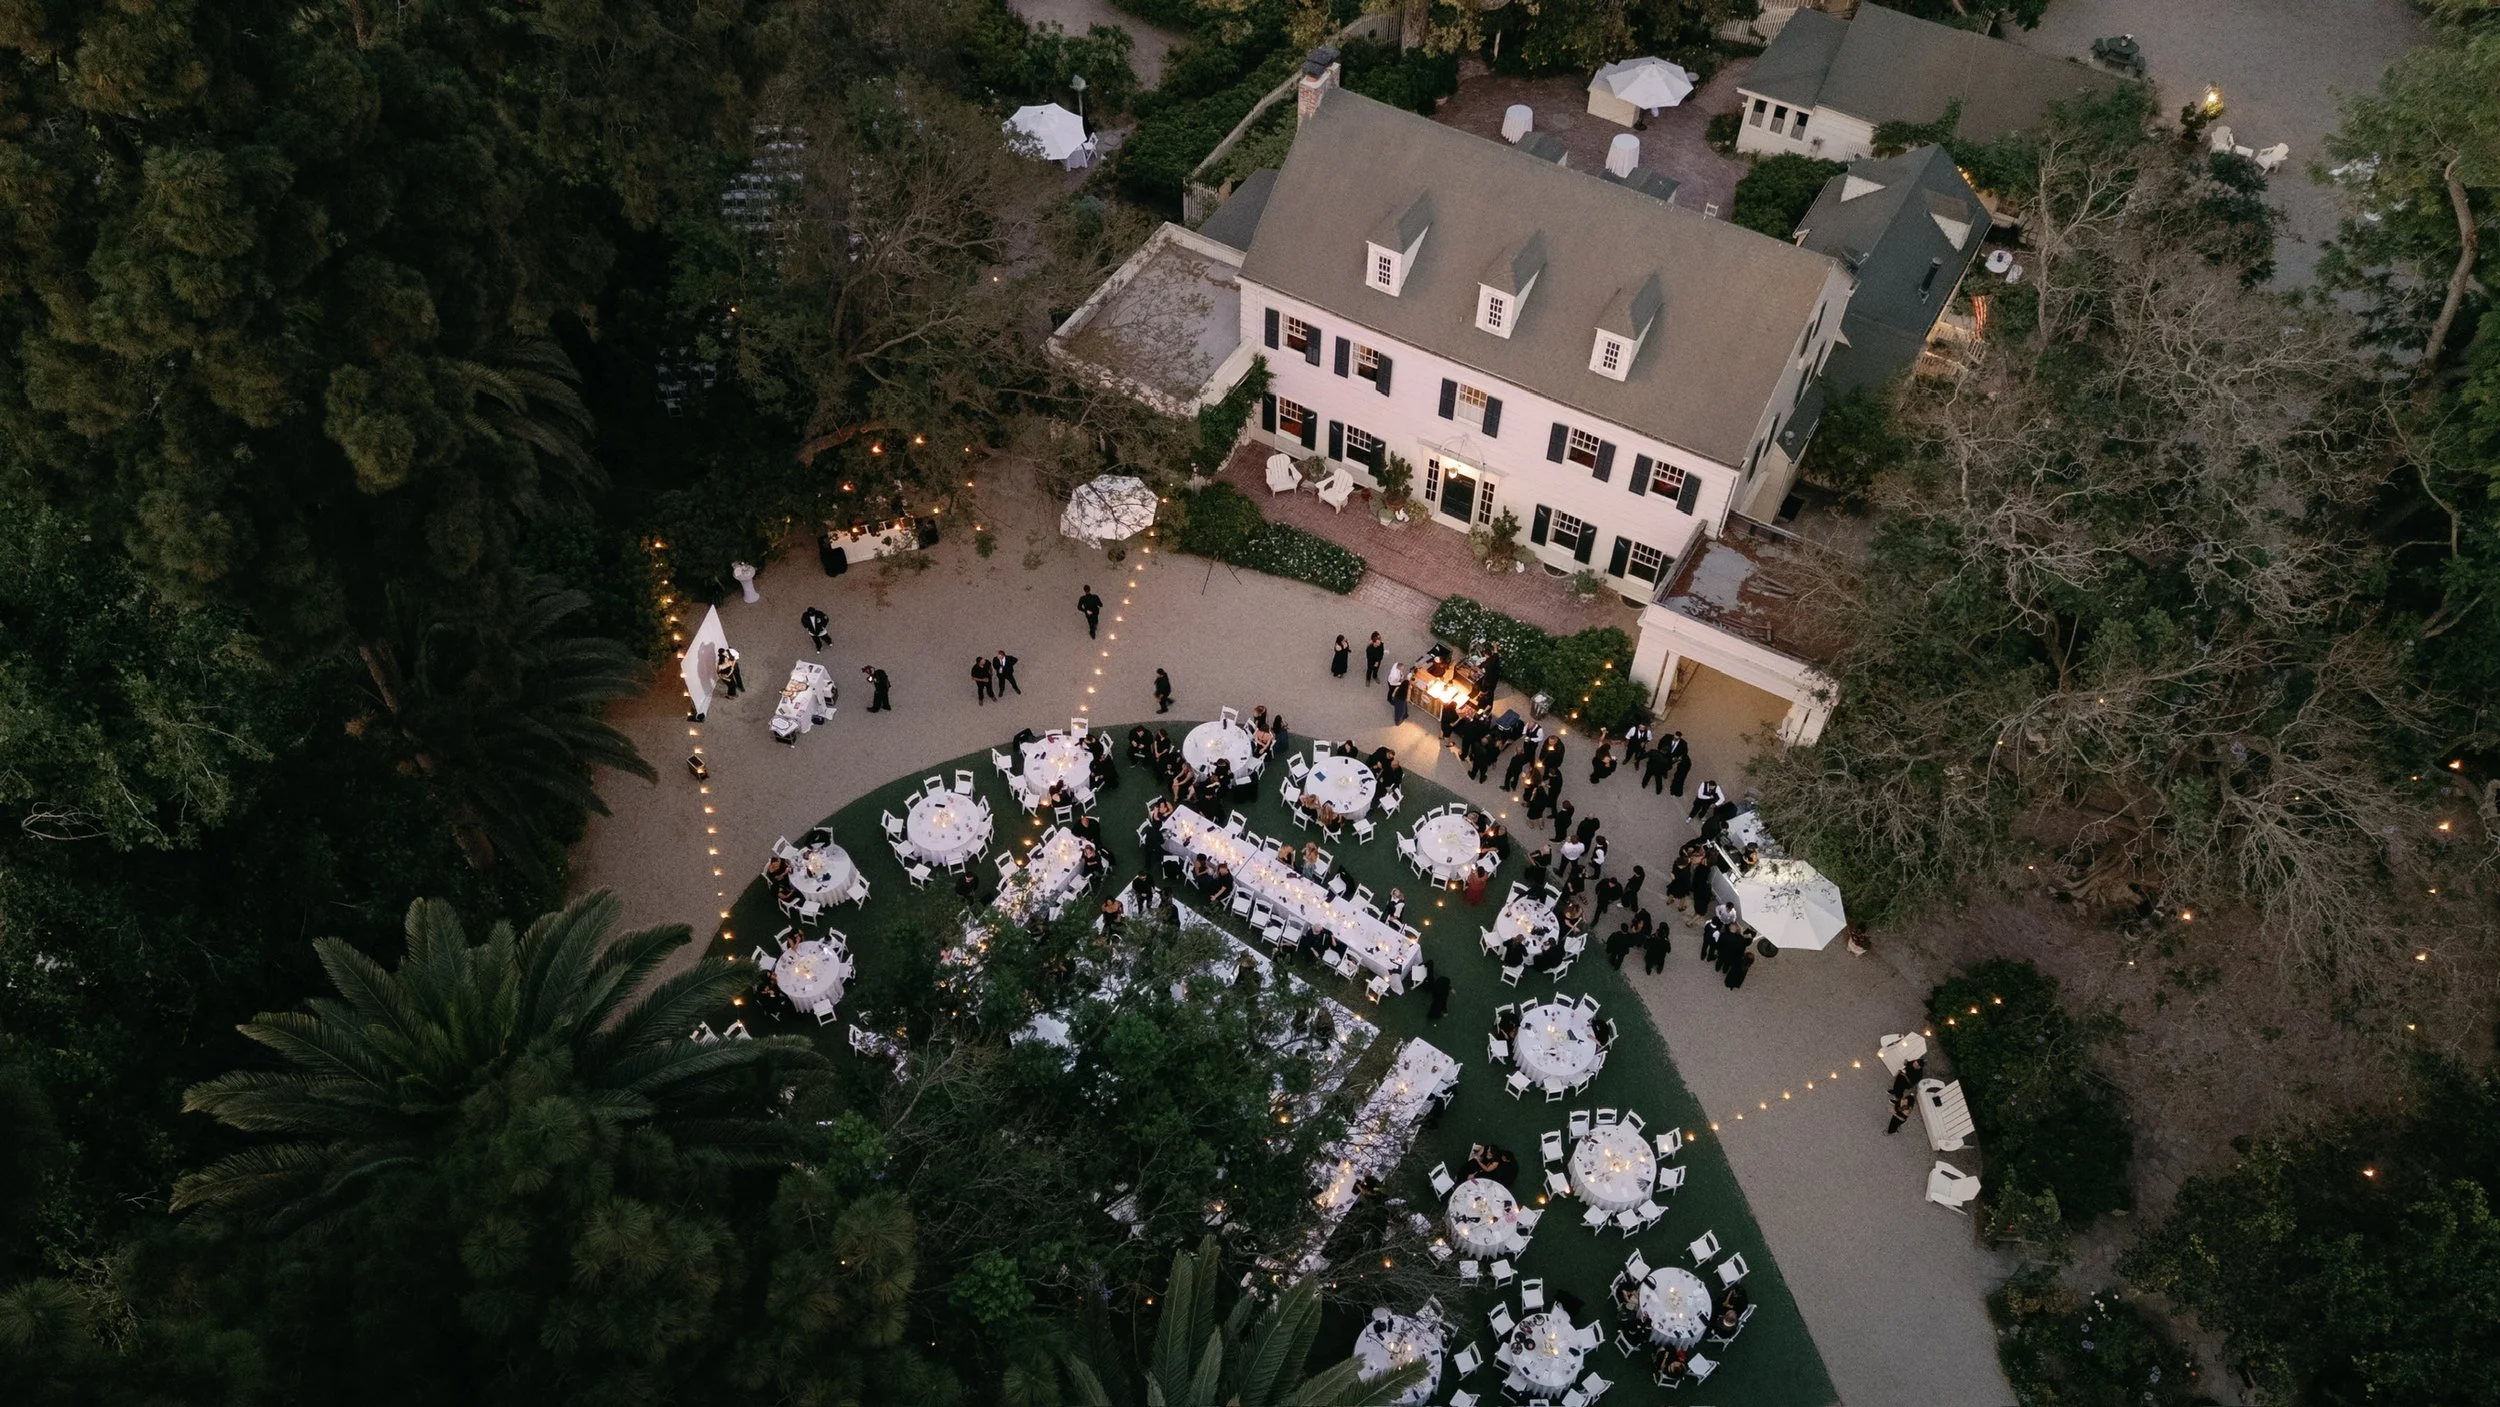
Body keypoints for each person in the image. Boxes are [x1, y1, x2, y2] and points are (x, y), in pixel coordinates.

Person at [1386, 660, 1410, 724]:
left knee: (1393, 692)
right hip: (1392, 683)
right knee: (1391, 691)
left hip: (1396, 682)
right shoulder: (1394, 676)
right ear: (1398, 668)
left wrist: (1402, 675)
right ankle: (1389, 699)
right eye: (1402, 668)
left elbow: (1400, 672)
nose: (1403, 669)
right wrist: (1400, 683)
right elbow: (1393, 683)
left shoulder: (1396, 664)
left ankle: (1391, 698)